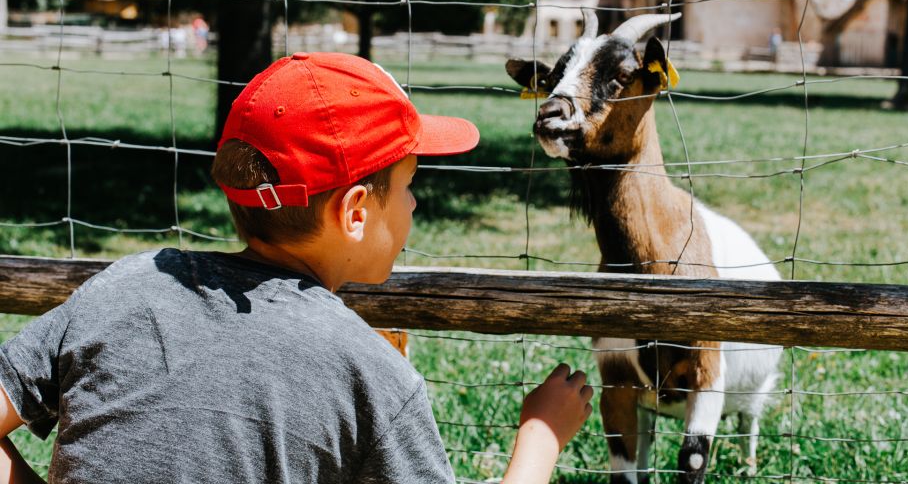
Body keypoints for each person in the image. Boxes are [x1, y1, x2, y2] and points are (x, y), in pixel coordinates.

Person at [0, 52, 593, 484]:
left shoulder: (126, 286)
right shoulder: (369, 373)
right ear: (355, 212)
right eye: (410, 185)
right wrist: (539, 439)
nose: (416, 203)